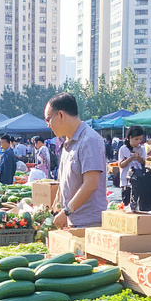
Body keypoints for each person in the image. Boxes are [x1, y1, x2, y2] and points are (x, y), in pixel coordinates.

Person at [43, 93, 107, 228]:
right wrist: (56, 205)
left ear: (60, 115)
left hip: (89, 224)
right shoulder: (67, 143)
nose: (48, 125)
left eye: (48, 119)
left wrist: (67, 211)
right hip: (73, 221)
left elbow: (91, 184)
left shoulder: (89, 140)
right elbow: (64, 181)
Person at [118, 126, 147, 207]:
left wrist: (138, 157)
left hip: (138, 179)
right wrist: (130, 159)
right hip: (126, 181)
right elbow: (121, 165)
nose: (138, 141)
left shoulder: (142, 148)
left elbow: (143, 162)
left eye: (140, 139)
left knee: (138, 203)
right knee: (126, 203)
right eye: (136, 139)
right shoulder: (123, 149)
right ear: (130, 137)